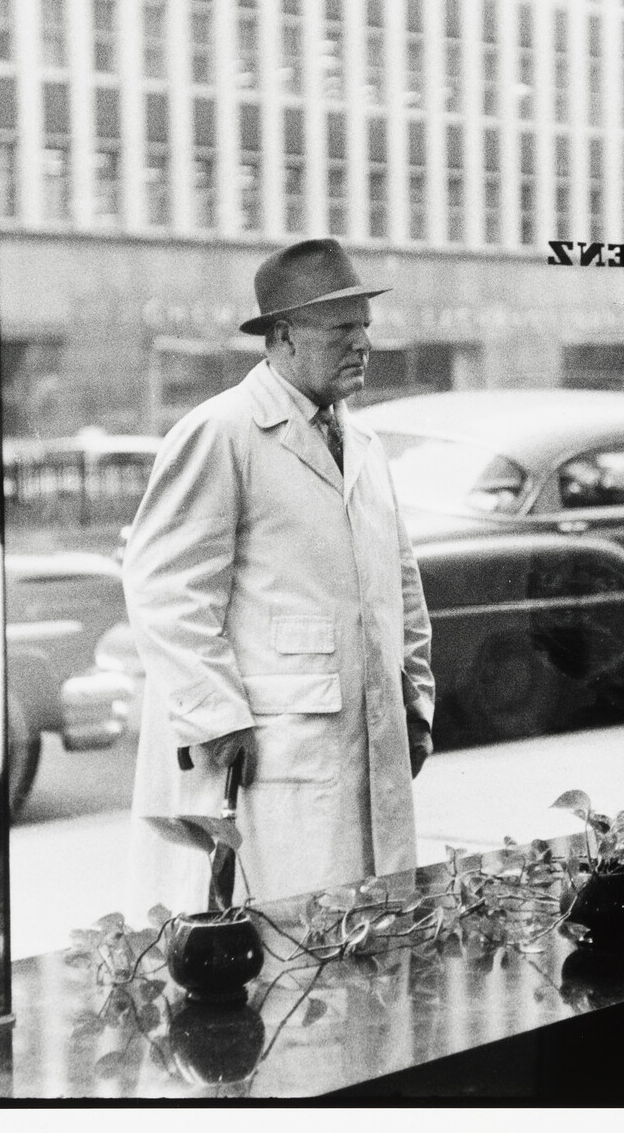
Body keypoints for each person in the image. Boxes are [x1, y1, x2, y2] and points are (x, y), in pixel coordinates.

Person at [124, 239, 436, 913]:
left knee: (372, 930)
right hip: (272, 754)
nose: (362, 344)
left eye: (365, 327)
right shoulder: (222, 432)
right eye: (342, 328)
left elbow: (400, 587)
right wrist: (216, 716)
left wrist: (415, 704)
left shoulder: (365, 444)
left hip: (367, 742)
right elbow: (166, 591)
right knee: (286, 936)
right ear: (284, 336)